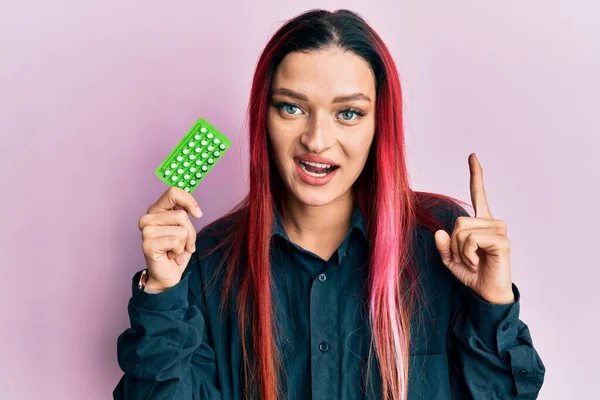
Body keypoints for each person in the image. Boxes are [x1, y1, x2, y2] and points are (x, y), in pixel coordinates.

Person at [113, 8, 546, 400]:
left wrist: (493, 304)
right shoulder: (208, 261)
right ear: (264, 116)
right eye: (291, 107)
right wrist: (163, 293)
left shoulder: (443, 241)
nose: (317, 140)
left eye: (349, 113)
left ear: (380, 123)